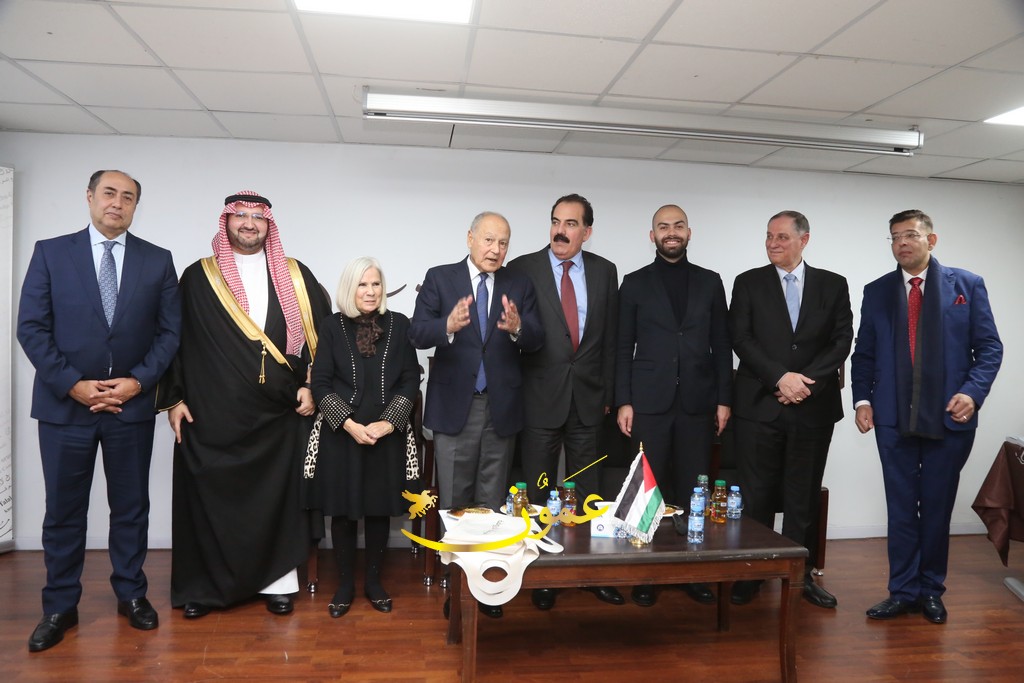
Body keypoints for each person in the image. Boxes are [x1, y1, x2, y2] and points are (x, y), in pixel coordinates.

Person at [17, 170, 181, 652]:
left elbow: (170, 333)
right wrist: (72, 385)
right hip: (64, 409)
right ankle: (59, 606)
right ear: (90, 197)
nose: (117, 203)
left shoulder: (157, 260)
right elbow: (31, 327)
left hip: (130, 408)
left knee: (130, 509)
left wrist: (137, 382)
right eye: (109, 193)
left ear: (135, 207)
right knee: (63, 512)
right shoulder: (51, 253)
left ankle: (131, 594)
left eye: (128, 197)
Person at [157, 191, 331, 619]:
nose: (249, 223)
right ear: (226, 221)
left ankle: (277, 584)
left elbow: (324, 340)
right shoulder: (199, 277)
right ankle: (203, 588)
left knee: (276, 501)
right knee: (208, 501)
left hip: (278, 414)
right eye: (241, 216)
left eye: (258, 217)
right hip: (211, 414)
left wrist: (313, 387)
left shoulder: (295, 276)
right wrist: (174, 398)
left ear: (269, 225)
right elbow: (172, 341)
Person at [852, 209, 1002, 625]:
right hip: (892, 418)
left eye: (911, 235)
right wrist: (862, 401)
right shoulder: (877, 291)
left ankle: (931, 590)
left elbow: (990, 348)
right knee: (901, 509)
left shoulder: (967, 285)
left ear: (931, 240)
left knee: (936, 508)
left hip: (949, 418)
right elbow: (864, 354)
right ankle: (902, 592)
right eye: (895, 236)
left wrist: (972, 393)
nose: (902, 243)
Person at [409, 211, 542, 619]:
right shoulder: (440, 278)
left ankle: (486, 590)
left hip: (500, 407)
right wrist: (447, 325)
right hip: (455, 408)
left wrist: (518, 328)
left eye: (503, 243)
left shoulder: (519, 283)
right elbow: (417, 332)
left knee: (492, 502)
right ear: (469, 238)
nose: (496, 249)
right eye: (488, 240)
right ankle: (457, 590)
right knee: (455, 503)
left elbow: (538, 339)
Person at [729, 210, 853, 609]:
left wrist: (803, 384)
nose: (772, 243)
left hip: (812, 409)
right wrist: (780, 378)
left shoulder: (833, 285)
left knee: (803, 497)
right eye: (768, 236)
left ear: (804, 240)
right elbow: (740, 338)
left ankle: (800, 577)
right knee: (757, 497)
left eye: (781, 236)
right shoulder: (748, 282)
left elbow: (841, 341)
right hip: (759, 406)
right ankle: (752, 573)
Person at [506, 193, 624, 610]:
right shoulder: (523, 268)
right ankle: (542, 578)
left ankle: (588, 573)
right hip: (539, 399)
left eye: (571, 224)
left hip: (589, 400)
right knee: (539, 491)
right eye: (556, 221)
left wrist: (609, 394)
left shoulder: (605, 271)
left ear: (586, 232)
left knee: (587, 492)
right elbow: (514, 337)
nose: (560, 230)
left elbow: (610, 338)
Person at [615, 204, 732, 608]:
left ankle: (692, 573)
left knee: (692, 491)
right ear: (652, 236)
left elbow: (722, 346)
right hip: (648, 403)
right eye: (663, 227)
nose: (671, 232)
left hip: (698, 403)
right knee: (649, 493)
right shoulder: (633, 283)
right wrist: (623, 400)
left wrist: (724, 399)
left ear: (689, 232)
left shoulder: (710, 282)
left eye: (678, 225)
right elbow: (621, 347)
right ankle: (645, 576)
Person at [303, 257, 419, 618]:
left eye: (376, 284)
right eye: (362, 284)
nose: (370, 291)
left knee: (379, 510)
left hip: (386, 435)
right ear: (349, 289)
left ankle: (373, 583)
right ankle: (344, 587)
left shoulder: (400, 324)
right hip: (343, 435)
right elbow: (321, 383)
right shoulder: (331, 326)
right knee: (343, 512)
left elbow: (410, 380)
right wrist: (349, 424)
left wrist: (389, 423)